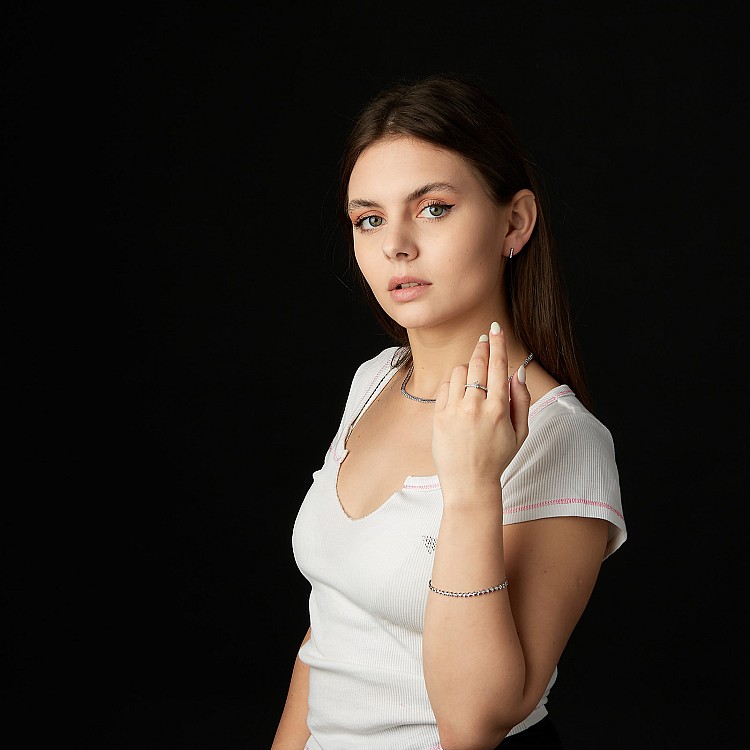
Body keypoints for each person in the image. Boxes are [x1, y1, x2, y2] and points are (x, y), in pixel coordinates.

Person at [271, 73, 626, 750]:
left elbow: (474, 725)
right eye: (369, 218)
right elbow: (330, 631)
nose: (395, 245)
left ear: (514, 222)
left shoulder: (563, 438)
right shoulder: (374, 381)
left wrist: (469, 492)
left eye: (433, 208)